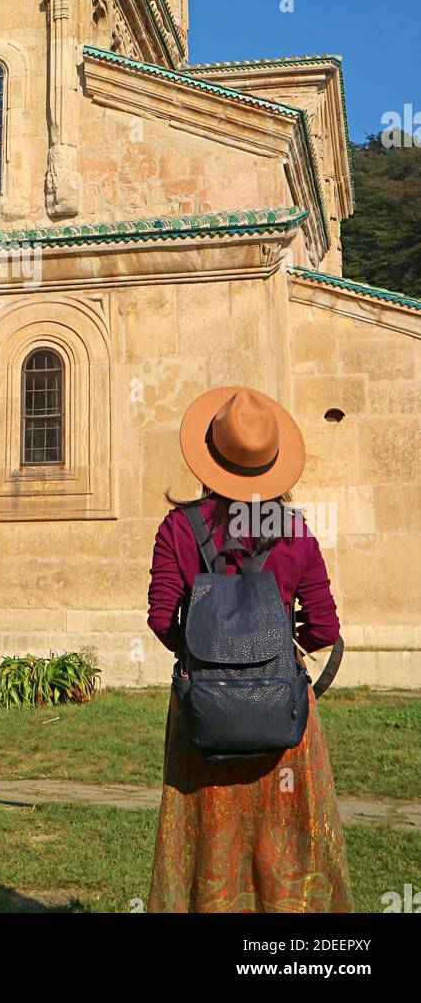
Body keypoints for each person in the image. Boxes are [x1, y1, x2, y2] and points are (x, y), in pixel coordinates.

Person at [146, 385, 353, 913]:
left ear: (210, 456)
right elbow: (324, 628)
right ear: (273, 464)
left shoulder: (178, 528)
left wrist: (202, 653)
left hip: (204, 708)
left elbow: (160, 618)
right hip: (280, 709)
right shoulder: (295, 530)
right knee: (285, 845)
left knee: (211, 842)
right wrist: (277, 652)